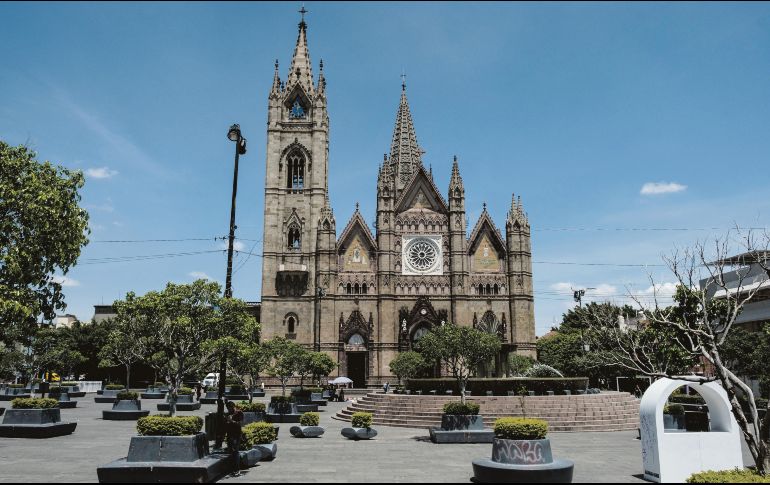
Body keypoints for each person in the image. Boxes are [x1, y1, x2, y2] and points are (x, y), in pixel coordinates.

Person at [224, 401, 244, 476]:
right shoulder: (228, 414)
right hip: (229, 435)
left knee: (235, 451)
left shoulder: (239, 413)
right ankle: (232, 469)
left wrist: (231, 421)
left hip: (237, 435)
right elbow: (225, 426)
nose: (229, 410)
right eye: (228, 409)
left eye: (230, 408)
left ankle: (237, 469)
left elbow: (240, 424)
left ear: (233, 407)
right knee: (231, 452)